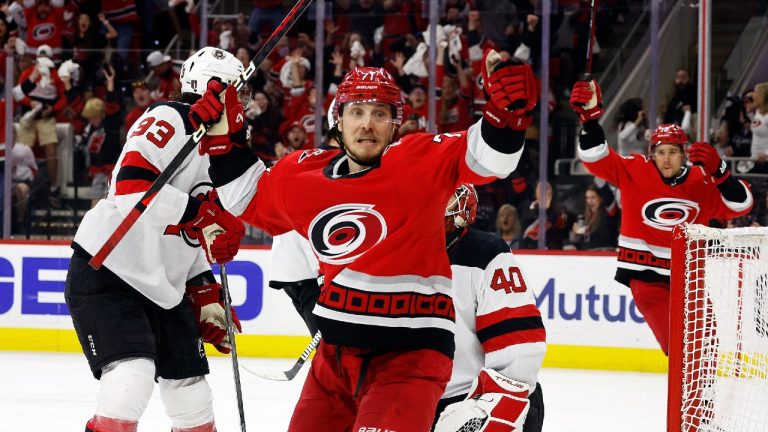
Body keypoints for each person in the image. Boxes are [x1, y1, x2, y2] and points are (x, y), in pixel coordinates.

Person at [198, 51, 538, 431]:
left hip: (410, 360)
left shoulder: (420, 160)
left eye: (380, 113)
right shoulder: (302, 174)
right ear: (338, 120)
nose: (367, 124)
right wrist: (225, 138)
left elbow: (492, 158)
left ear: (396, 125)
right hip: (333, 363)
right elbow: (245, 196)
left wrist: (506, 115)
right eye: (357, 112)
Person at [64, 47, 247, 432]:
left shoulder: (227, 153)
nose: (243, 101)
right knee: (131, 379)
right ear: (216, 87)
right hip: (110, 271)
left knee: (192, 394)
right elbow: (132, 189)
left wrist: (204, 288)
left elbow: (187, 237)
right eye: (238, 90)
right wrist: (201, 214)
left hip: (165, 287)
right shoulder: (170, 117)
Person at [570, 79, 754, 354]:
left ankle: (702, 398)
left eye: (672, 153)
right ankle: (688, 398)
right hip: (647, 279)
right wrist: (589, 122)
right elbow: (596, 158)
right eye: (660, 153)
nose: (665, 160)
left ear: (684, 155)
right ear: (651, 154)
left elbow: (741, 205)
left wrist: (722, 174)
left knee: (709, 348)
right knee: (682, 349)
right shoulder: (635, 170)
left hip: (690, 277)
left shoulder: (700, 179)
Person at [434, 184, 545, 432]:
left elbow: (519, 344)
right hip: (416, 404)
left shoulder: (485, 253)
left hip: (474, 401)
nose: (434, 199)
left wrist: (492, 407)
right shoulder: (391, 252)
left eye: (445, 193)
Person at [569, 183, 619, 251]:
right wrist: (575, 235)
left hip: (606, 254)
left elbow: (608, 196)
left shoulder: (608, 213)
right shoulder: (585, 217)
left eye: (593, 197)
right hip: (589, 256)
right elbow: (582, 244)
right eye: (587, 198)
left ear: (601, 199)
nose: (590, 201)